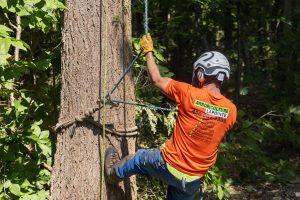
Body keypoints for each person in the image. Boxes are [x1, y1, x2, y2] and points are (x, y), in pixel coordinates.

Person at [105, 33, 237, 200]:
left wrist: (148, 52)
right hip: (192, 181)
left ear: (201, 74)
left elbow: (156, 79)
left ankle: (113, 173)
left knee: (139, 159)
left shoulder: (188, 93)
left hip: (169, 165)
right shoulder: (231, 111)